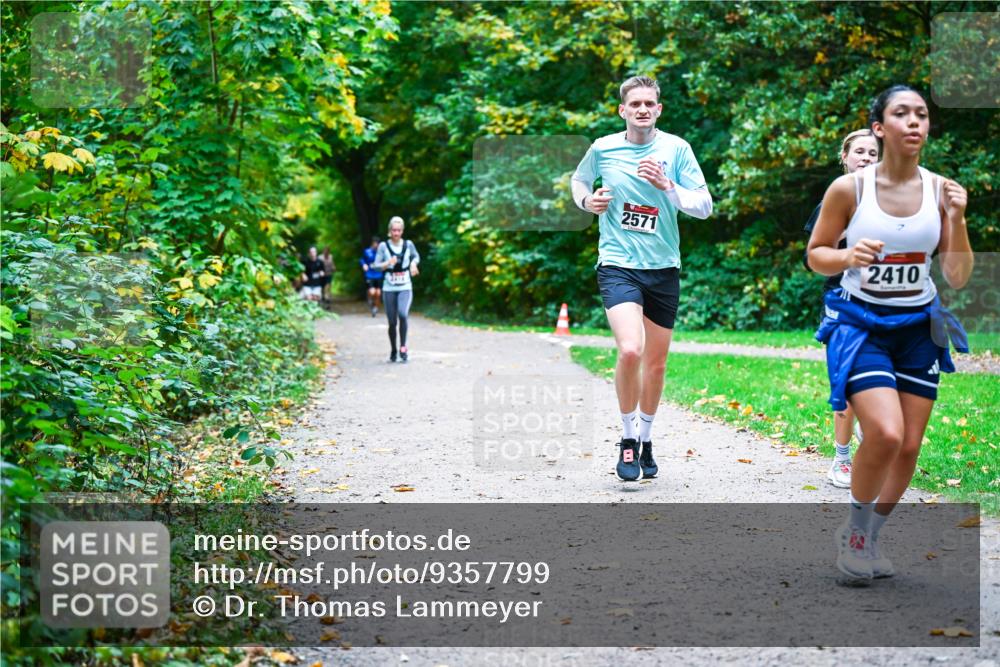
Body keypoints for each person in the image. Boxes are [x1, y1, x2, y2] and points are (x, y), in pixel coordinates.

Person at [807, 85, 972, 584]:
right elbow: (816, 255)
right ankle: (854, 534)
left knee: (909, 446)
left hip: (919, 327)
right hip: (860, 324)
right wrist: (847, 256)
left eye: (922, 114)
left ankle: (871, 534)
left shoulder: (942, 190)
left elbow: (959, 275)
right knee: (886, 430)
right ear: (880, 128)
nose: (915, 122)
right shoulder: (850, 189)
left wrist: (957, 219)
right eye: (902, 114)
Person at [571, 75, 713, 482]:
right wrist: (588, 201)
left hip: (663, 268)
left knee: (656, 363)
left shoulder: (676, 149)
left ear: (659, 109)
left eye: (650, 103)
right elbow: (579, 180)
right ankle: (628, 439)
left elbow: (703, 205)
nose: (643, 109)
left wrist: (669, 186)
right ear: (623, 110)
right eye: (635, 104)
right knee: (631, 349)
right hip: (618, 264)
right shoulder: (603, 148)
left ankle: (647, 440)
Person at [804, 129, 879, 488]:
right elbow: (813, 258)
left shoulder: (895, 200)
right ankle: (842, 459)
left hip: (888, 303)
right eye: (859, 151)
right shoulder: (834, 201)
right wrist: (848, 250)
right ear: (845, 157)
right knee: (847, 384)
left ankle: (871, 426)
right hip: (843, 303)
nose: (866, 157)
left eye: (873, 153)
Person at [373, 217, 420, 362]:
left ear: (402, 231)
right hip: (389, 288)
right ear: (389, 231)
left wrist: (413, 263)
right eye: (394, 230)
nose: (396, 233)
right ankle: (393, 349)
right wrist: (387, 263)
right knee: (392, 322)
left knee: (403, 314)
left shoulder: (408, 244)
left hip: (405, 286)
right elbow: (376, 265)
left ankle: (403, 347)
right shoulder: (383, 246)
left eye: (399, 230)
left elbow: (416, 256)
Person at [360, 236, 383, 317]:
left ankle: (375, 308)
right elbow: (362, 259)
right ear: (372, 243)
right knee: (372, 292)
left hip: (379, 274)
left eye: (378, 244)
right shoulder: (367, 251)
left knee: (378, 293)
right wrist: (364, 265)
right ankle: (369, 298)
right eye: (375, 243)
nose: (376, 245)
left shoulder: (381, 252)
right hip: (369, 274)